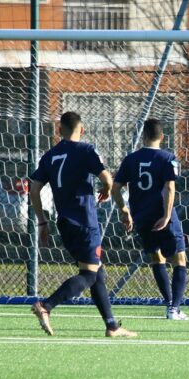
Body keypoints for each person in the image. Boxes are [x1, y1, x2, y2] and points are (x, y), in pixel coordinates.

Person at [29, 111, 136, 338]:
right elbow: (107, 179)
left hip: (64, 223)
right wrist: (108, 191)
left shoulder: (50, 155)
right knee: (88, 275)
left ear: (60, 131)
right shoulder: (86, 150)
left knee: (98, 273)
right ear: (82, 129)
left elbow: (34, 189)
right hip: (85, 222)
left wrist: (42, 222)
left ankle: (112, 326)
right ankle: (46, 306)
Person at [112, 118, 188, 320]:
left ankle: (169, 304)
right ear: (162, 137)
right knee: (180, 259)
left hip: (142, 217)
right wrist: (165, 215)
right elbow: (170, 188)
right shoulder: (168, 158)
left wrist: (124, 210)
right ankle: (174, 309)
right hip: (163, 216)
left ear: (143, 136)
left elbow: (115, 188)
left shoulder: (131, 159)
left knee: (157, 257)